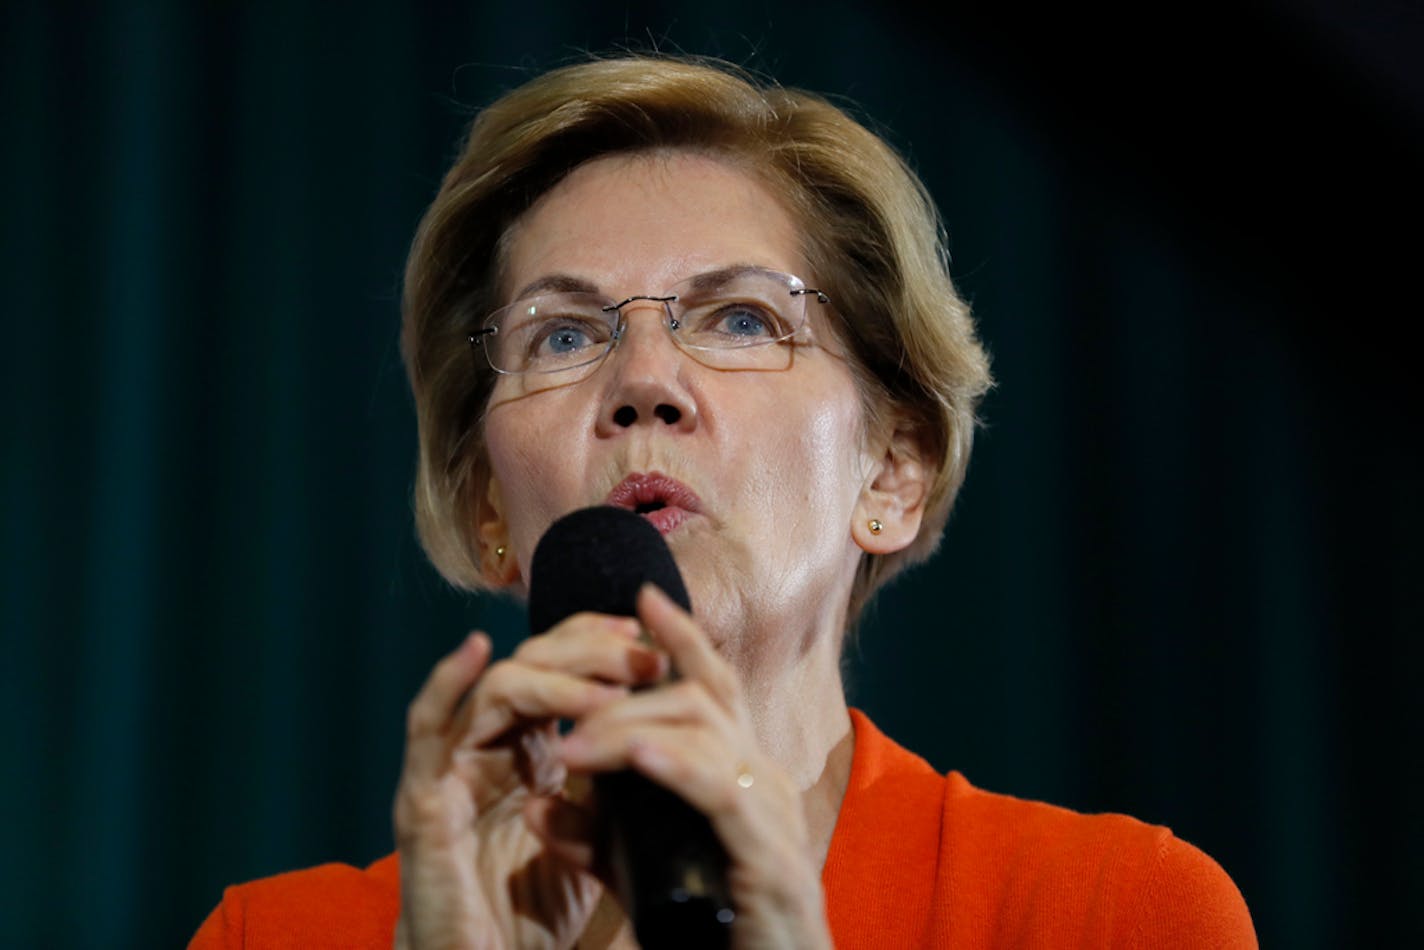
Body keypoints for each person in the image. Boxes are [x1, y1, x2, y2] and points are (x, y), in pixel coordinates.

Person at [191, 54, 1256, 948]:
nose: (642, 381)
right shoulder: (274, 934)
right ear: (486, 505)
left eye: (740, 319)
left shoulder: (1110, 909)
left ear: (891, 470)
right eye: (562, 336)